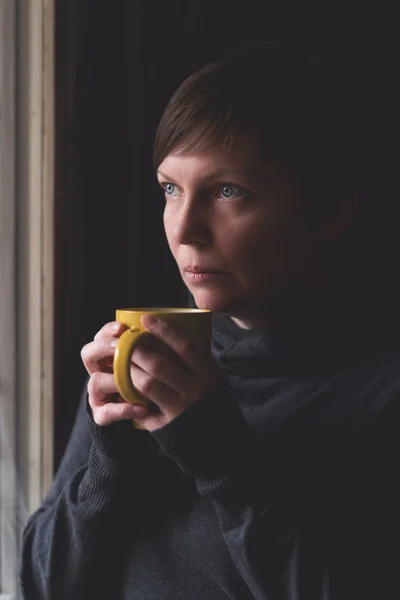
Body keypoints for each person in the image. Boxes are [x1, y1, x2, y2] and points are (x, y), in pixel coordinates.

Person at [20, 41, 400, 599]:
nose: (184, 228)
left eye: (227, 191)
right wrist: (107, 467)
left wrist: (223, 462)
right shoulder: (148, 359)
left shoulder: (379, 393)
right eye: (171, 188)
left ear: (330, 212)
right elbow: (40, 586)